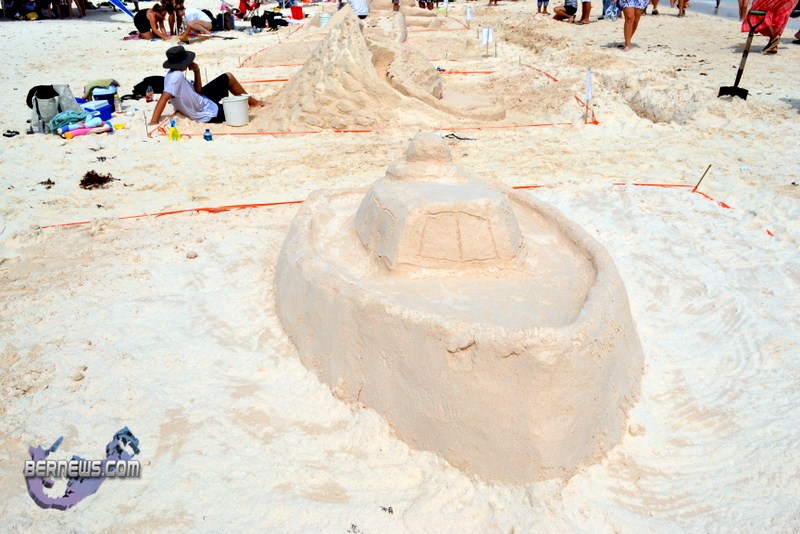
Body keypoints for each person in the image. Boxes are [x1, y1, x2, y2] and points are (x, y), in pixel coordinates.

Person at [149, 46, 266, 126]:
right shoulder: (176, 77)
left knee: (228, 77)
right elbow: (164, 98)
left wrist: (197, 71)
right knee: (239, 111)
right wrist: (153, 122)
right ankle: (253, 103)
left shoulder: (174, 74)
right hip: (206, 113)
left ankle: (254, 102)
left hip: (202, 99)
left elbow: (198, 91)